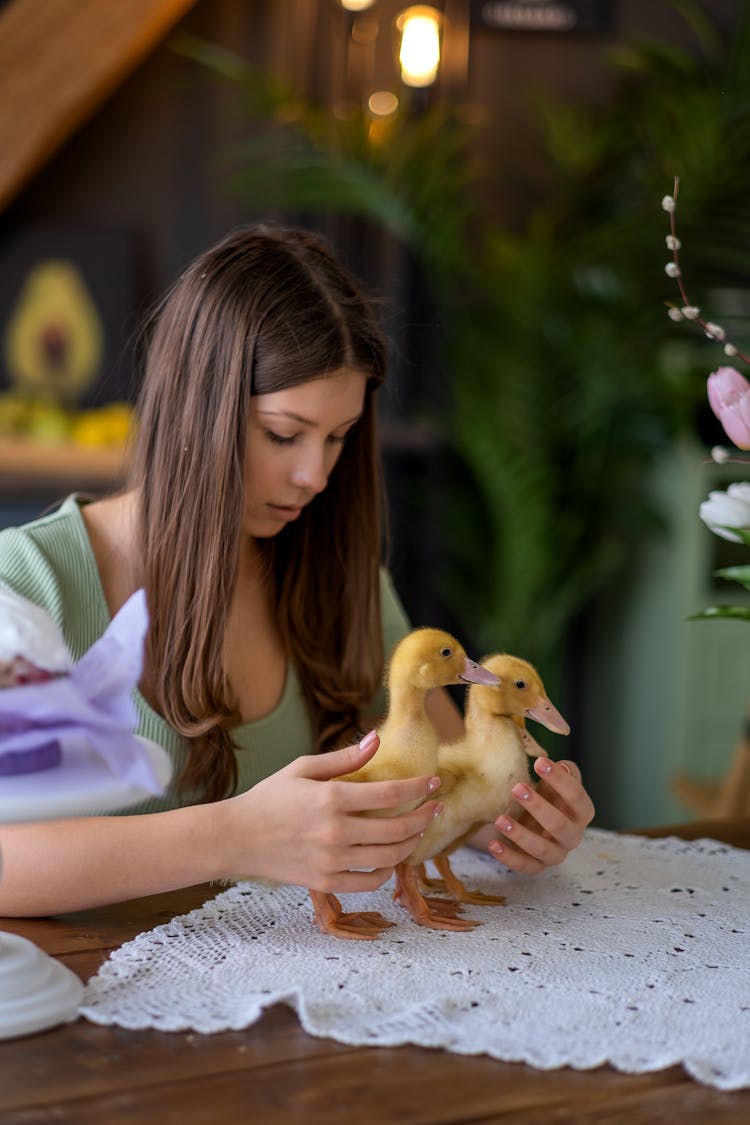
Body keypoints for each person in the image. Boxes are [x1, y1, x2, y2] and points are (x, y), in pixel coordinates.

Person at [0, 224, 594, 918]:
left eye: (338, 437)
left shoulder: (342, 579)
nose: (315, 475)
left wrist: (512, 817)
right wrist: (233, 836)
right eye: (283, 434)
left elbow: (445, 779)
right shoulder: (28, 583)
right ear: (199, 411)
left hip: (297, 1002)